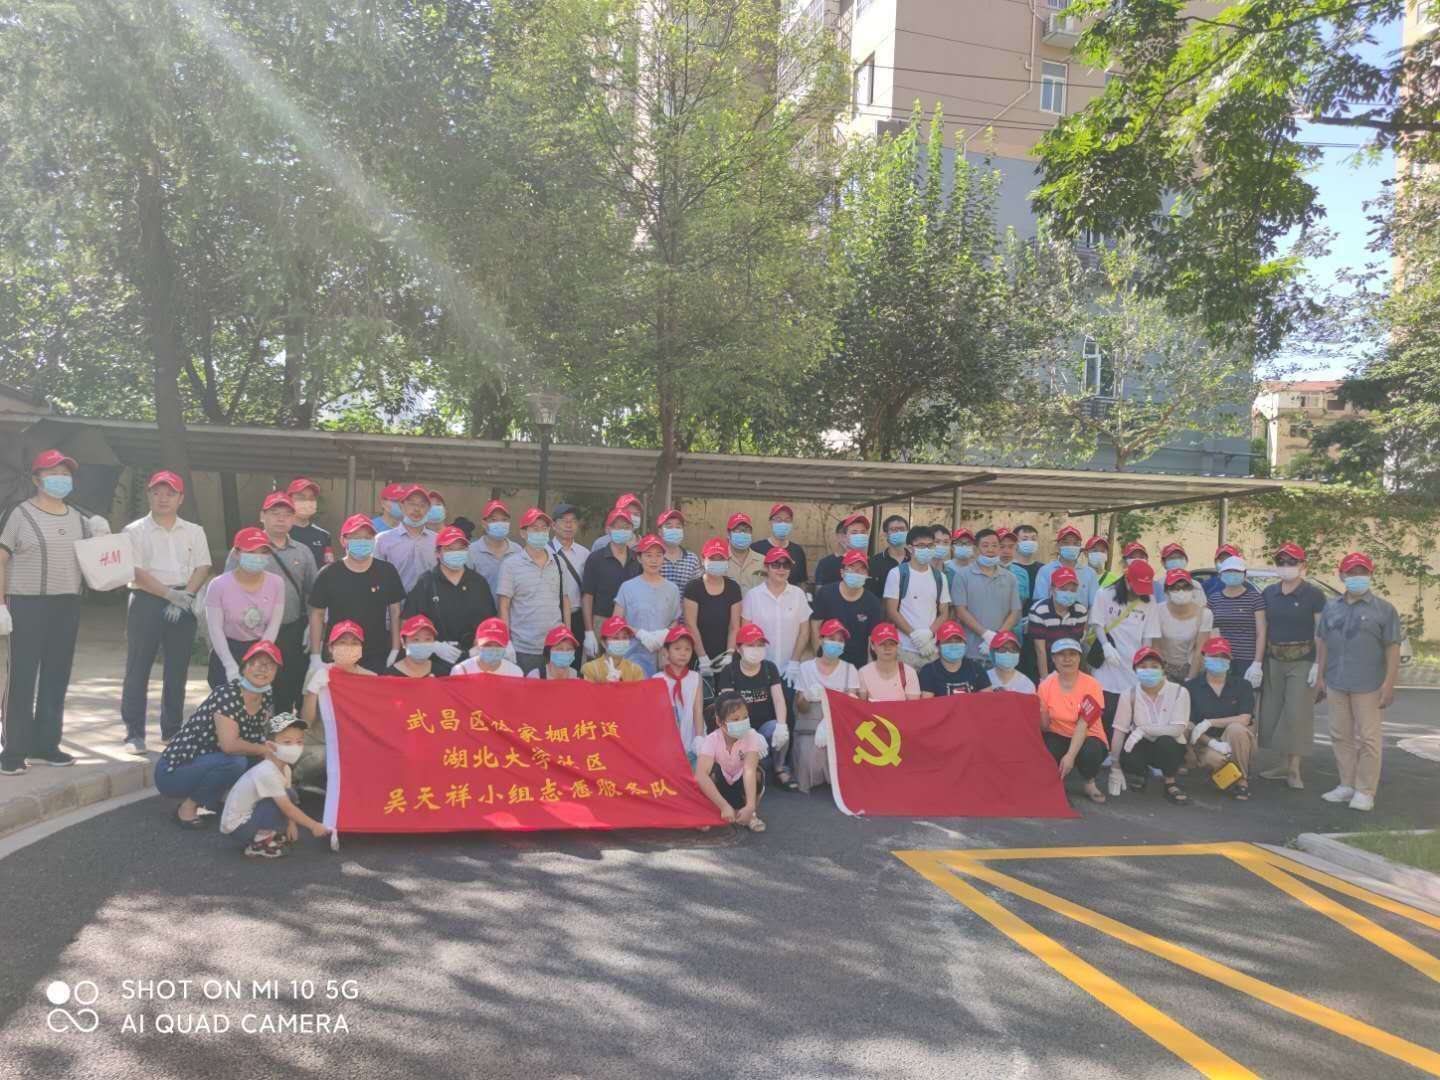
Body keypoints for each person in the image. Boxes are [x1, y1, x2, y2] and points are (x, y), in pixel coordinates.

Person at [0, 449, 110, 774]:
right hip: (26, 603)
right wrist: (1, 604)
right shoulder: (18, 513)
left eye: (65, 474)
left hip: (67, 603)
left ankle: (46, 745)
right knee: (22, 677)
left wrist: (102, 534)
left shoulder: (80, 518)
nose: (60, 479)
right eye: (52, 474)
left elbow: (101, 561)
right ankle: (13, 750)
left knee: (56, 675)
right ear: (37, 479)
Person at [119, 470, 211, 754]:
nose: (163, 498)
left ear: (180, 498)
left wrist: (186, 595)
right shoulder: (133, 531)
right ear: (148, 495)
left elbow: (203, 566)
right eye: (157, 492)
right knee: (138, 667)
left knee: (177, 669)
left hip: (184, 599)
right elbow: (135, 570)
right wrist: (168, 594)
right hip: (146, 599)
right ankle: (134, 733)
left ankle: (172, 730)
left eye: (170, 493)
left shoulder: (194, 530)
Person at [154, 640, 281, 826]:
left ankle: (218, 798)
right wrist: (264, 750)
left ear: (276, 672)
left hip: (208, 761)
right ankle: (186, 809)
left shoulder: (266, 696)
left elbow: (260, 737)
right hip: (173, 772)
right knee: (236, 762)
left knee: (261, 761)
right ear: (244, 667)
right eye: (255, 662)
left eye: (269, 665)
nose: (262, 669)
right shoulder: (227, 694)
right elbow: (229, 745)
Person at [1315, 552, 1401, 812]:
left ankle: (1365, 791)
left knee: (1368, 739)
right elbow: (1323, 641)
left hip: (1369, 685)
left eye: (1362, 572)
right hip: (1336, 682)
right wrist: (1319, 676)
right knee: (1340, 735)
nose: (1356, 577)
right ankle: (1346, 785)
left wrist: (1389, 684)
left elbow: (1392, 648)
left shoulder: (1384, 610)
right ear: (1341, 575)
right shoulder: (1331, 606)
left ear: (1370, 574)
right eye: (1351, 572)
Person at [225, 491, 317, 712]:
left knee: (287, 685)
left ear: (293, 519)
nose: (281, 519)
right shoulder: (244, 549)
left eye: (287, 514)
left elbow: (312, 593)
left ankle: (281, 728)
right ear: (262, 516)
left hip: (289, 630)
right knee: (250, 685)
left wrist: (311, 627)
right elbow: (228, 588)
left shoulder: (303, 552)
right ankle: (251, 727)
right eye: (275, 513)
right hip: (250, 632)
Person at [1257, 543, 1327, 790]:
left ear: (1302, 565)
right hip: (1274, 659)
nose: (1286, 566)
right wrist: (1258, 662)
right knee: (1273, 713)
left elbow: (1321, 633)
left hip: (1303, 661)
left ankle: (1294, 768)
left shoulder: (1314, 595)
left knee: (1297, 714)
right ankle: (1282, 764)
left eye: (1291, 562)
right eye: (1281, 562)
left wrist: (1318, 666)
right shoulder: (1269, 593)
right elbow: (1262, 629)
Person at [220, 712, 330, 858]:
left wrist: (291, 825)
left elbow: (289, 799)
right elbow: (286, 807)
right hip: (239, 827)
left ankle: (264, 834)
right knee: (279, 800)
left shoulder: (285, 768)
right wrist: (314, 826)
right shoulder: (267, 772)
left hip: (250, 817)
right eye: (287, 742)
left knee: (289, 794)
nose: (295, 747)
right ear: (271, 746)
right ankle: (258, 844)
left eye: (299, 742)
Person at [306, 515, 405, 675]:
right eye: (356, 537)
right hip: (338, 653)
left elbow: (395, 611)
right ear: (343, 540)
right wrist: (315, 655)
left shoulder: (387, 571)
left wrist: (395, 648)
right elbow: (317, 614)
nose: (363, 541)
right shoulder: (329, 573)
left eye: (368, 537)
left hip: (377, 653)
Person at [1089, 560, 1162, 743]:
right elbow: (1098, 623)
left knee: (1129, 709)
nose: (1139, 592)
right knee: (1106, 707)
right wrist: (1105, 646)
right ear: (1126, 580)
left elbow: (1148, 635)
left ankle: (1124, 749)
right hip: (1108, 660)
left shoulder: (1150, 601)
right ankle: (1105, 746)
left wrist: (1144, 661)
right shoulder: (1104, 594)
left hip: (1132, 662)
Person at [297, 620, 376, 789]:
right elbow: (306, 722)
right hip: (320, 744)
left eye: (354, 643)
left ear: (361, 649)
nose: (348, 647)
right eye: (342, 642)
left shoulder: (370, 678)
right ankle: (299, 782)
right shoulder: (318, 673)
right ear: (331, 648)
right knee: (324, 757)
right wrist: (313, 689)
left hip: (352, 744)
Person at [206, 527, 285, 690]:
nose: (258, 557)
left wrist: (261, 656)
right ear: (236, 553)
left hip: (261, 648)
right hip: (227, 649)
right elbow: (215, 629)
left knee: (258, 701)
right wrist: (230, 666)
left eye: (263, 552)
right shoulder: (218, 585)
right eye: (251, 551)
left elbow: (274, 624)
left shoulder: (277, 583)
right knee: (227, 702)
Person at [713, 623, 791, 787]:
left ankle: (779, 768)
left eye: (760, 645)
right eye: (750, 645)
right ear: (739, 648)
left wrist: (782, 725)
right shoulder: (730, 671)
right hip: (738, 728)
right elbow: (728, 709)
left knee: (778, 728)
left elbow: (778, 699)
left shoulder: (770, 668)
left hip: (764, 726)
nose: (756, 649)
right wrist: (750, 734)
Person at [1112, 646, 1192, 804]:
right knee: (1128, 750)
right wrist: (1115, 766)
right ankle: (1141, 774)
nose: (1149, 670)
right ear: (1135, 671)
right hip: (1143, 745)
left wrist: (1143, 729)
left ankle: (1170, 782)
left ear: (1163, 669)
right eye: (1143, 667)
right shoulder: (1129, 694)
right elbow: (1119, 730)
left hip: (1170, 745)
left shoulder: (1179, 692)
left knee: (1166, 742)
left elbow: (1177, 729)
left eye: (1154, 666)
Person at [403, 525, 497, 658]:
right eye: (449, 549)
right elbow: (408, 622)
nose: (456, 553)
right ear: (437, 553)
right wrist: (433, 646)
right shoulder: (426, 582)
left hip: (474, 657)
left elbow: (490, 621)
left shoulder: (478, 582)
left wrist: (481, 644)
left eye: (461, 549)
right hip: (436, 658)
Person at [497, 508, 570, 674]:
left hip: (555, 647)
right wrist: (506, 641)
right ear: (523, 533)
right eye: (535, 529)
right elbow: (504, 605)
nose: (540, 533)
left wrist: (567, 634)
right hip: (523, 649)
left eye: (544, 528)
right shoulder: (510, 565)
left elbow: (565, 600)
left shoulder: (558, 562)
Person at [1035, 638, 1108, 804]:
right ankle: (1055, 782)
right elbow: (1044, 725)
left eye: (1072, 654)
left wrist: (1069, 756)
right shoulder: (1045, 686)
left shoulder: (1092, 685)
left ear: (1079, 658)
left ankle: (1089, 783)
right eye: (1061, 655)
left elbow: (1083, 724)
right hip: (1058, 733)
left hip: (1087, 735)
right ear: (1053, 659)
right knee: (1047, 748)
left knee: (1091, 750)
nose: (1067, 659)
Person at [791, 619, 860, 792]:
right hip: (809, 725)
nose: (836, 643)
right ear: (821, 639)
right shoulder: (806, 668)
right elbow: (800, 708)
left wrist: (829, 722)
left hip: (840, 723)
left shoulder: (849, 669)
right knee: (810, 759)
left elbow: (852, 705)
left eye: (840, 640)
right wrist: (806, 696)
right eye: (831, 638)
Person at [1186, 636, 1256, 800]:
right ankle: (1223, 776)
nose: (1218, 660)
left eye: (1223, 656)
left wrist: (1210, 722)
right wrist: (1212, 743)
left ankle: (1242, 782)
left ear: (1230, 660)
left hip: (1237, 741)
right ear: (1204, 657)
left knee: (1236, 728)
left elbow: (1245, 719)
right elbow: (1191, 726)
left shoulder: (1243, 685)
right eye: (1214, 655)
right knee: (1215, 759)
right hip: (1206, 742)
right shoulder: (1191, 687)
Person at [693, 691, 768, 832]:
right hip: (720, 788)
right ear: (719, 721)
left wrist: (750, 806)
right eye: (735, 719)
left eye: (745, 717)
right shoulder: (712, 739)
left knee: (758, 774)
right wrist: (723, 806)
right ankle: (714, 810)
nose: (742, 722)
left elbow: (749, 770)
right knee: (710, 774)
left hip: (741, 785)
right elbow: (700, 775)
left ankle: (750, 814)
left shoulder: (751, 735)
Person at [740, 546, 813, 686]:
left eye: (786, 565)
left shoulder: (798, 594)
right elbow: (745, 633)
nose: (781, 569)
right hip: (758, 669)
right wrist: (752, 661)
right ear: (766, 567)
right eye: (775, 565)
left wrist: (794, 662)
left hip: (789, 670)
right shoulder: (753, 595)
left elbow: (804, 633)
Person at [613, 533, 682, 676]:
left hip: (664, 656)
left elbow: (675, 620)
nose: (654, 560)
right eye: (648, 555)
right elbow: (616, 623)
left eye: (658, 555)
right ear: (639, 558)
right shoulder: (627, 587)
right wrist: (639, 633)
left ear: (664, 558)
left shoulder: (672, 589)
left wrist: (663, 635)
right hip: (633, 656)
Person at [882, 526, 949, 669]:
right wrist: (914, 636)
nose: (926, 549)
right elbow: (891, 610)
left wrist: (929, 633)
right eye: (921, 546)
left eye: (930, 545)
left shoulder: (940, 577)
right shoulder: (897, 573)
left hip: (930, 649)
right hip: (903, 649)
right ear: (910, 548)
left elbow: (944, 612)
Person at [952, 527, 1021, 665]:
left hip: (1001, 650)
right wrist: (985, 634)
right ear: (976, 549)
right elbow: (960, 611)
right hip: (970, 650)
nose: (990, 550)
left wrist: (997, 636)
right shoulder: (962, 575)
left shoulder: (1010, 577)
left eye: (995, 545)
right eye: (985, 545)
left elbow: (1015, 612)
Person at [581, 508, 641, 661]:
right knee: (597, 669)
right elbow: (587, 596)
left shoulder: (637, 560)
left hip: (628, 625)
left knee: (625, 669)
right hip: (601, 622)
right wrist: (589, 631)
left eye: (627, 527)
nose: (623, 531)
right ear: (608, 529)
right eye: (618, 527)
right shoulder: (595, 559)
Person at [809, 549, 884, 669]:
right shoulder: (825, 594)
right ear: (842, 572)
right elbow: (815, 626)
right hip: (828, 661)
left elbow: (872, 639)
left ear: (867, 575)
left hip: (857, 666)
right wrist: (819, 657)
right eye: (851, 567)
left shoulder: (873, 603)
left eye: (862, 569)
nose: (856, 572)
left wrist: (869, 669)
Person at [683, 538, 742, 679]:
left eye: (721, 558)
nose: (717, 562)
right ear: (703, 559)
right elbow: (690, 625)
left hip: (725, 656)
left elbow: (734, 626)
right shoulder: (693, 588)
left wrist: (729, 655)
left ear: (727, 560)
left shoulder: (733, 588)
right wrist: (702, 658)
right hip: (698, 655)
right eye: (712, 558)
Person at [1206, 555, 1267, 689]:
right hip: (1221, 659)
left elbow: (1261, 633)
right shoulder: (1214, 599)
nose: (1232, 574)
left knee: (1245, 697)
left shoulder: (1254, 598)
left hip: (1247, 660)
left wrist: (1257, 663)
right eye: (1228, 571)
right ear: (1221, 574)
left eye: (1236, 571)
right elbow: (1209, 631)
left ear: (1244, 574)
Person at [1149, 568, 1212, 683]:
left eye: (1186, 587)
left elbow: (1200, 650)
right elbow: (1155, 647)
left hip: (1191, 666)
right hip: (1164, 666)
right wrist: (1161, 675)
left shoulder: (1205, 614)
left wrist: (1191, 679)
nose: (1181, 592)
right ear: (1167, 591)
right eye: (1175, 588)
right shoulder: (1157, 611)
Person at [1027, 566, 1089, 681]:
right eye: (1063, 589)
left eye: (1072, 590)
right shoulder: (1039, 611)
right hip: (1045, 665)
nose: (1068, 593)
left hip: (1068, 666)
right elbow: (1040, 650)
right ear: (1052, 589)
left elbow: (1075, 646)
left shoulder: (1081, 611)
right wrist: (1045, 680)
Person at [373, 484, 438, 593]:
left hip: (429, 602)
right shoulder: (382, 539)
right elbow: (375, 577)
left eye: (422, 505)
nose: (417, 509)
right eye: (412, 504)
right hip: (394, 602)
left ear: (428, 509)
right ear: (401, 506)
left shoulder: (437, 541)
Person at [655, 626, 705, 760]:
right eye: (677, 648)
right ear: (666, 652)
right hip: (666, 742)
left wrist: (699, 736)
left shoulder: (695, 677)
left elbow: (697, 709)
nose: (683, 653)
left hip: (691, 737)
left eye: (687, 649)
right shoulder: (657, 679)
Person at [549, 502, 590, 659]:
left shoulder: (584, 553)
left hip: (576, 617)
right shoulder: (545, 551)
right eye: (564, 520)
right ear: (553, 525)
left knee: (573, 661)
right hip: (552, 616)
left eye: (573, 521)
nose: (569, 525)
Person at [466, 499, 522, 596]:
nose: (500, 523)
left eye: (504, 520)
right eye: (493, 520)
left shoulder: (517, 550)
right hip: (482, 605)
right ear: (484, 523)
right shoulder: (472, 551)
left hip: (511, 605)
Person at [1034, 524, 1099, 607]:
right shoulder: (1045, 571)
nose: (1071, 546)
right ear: (1057, 546)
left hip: (1082, 615)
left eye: (1075, 543)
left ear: (1080, 547)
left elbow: (1094, 604)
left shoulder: (1090, 573)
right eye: (1066, 543)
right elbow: (1040, 602)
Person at [919, 620, 989, 696]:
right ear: (938, 646)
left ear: (965, 644)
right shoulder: (928, 672)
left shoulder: (976, 668)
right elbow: (927, 702)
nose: (954, 645)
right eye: (948, 641)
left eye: (958, 641)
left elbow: (987, 699)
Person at [857, 621, 920, 702]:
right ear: (872, 646)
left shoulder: (909, 673)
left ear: (897, 646)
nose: (887, 648)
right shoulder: (863, 673)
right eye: (882, 644)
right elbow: (861, 706)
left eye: (892, 644)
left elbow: (913, 707)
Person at [751, 502, 808, 587]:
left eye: (787, 520)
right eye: (778, 519)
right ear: (770, 522)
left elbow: (802, 582)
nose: (783, 523)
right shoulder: (756, 548)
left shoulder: (797, 551)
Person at [580, 615, 646, 683]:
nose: (621, 642)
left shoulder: (636, 670)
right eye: (615, 638)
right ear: (603, 642)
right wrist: (608, 685)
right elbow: (586, 690)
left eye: (625, 637)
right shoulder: (590, 669)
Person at [452, 617, 525, 678]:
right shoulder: (460, 671)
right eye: (487, 645)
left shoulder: (515, 673)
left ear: (506, 645)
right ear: (477, 644)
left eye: (498, 645)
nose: (493, 649)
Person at [286, 477, 333, 569]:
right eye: (301, 497)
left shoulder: (323, 535)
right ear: (289, 500)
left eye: (311, 498)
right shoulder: (280, 533)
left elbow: (328, 568)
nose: (307, 502)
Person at [386, 614, 452, 677]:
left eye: (428, 639)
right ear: (403, 643)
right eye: (416, 639)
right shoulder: (391, 675)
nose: (422, 644)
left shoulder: (441, 674)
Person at [655, 509, 701, 590]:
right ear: (659, 531)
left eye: (678, 527)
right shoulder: (652, 558)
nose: (674, 530)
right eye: (669, 527)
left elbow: (697, 589)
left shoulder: (692, 559)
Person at [867, 514, 910, 597]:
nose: (899, 532)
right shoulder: (874, 562)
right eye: (894, 530)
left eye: (902, 529)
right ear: (886, 534)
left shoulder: (914, 560)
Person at [724, 512, 766, 593]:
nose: (742, 533)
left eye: (746, 530)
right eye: (737, 530)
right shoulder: (718, 560)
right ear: (728, 534)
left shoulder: (763, 561)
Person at [812, 518, 851, 589]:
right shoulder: (824, 563)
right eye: (853, 533)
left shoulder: (863, 563)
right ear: (838, 536)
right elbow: (819, 591)